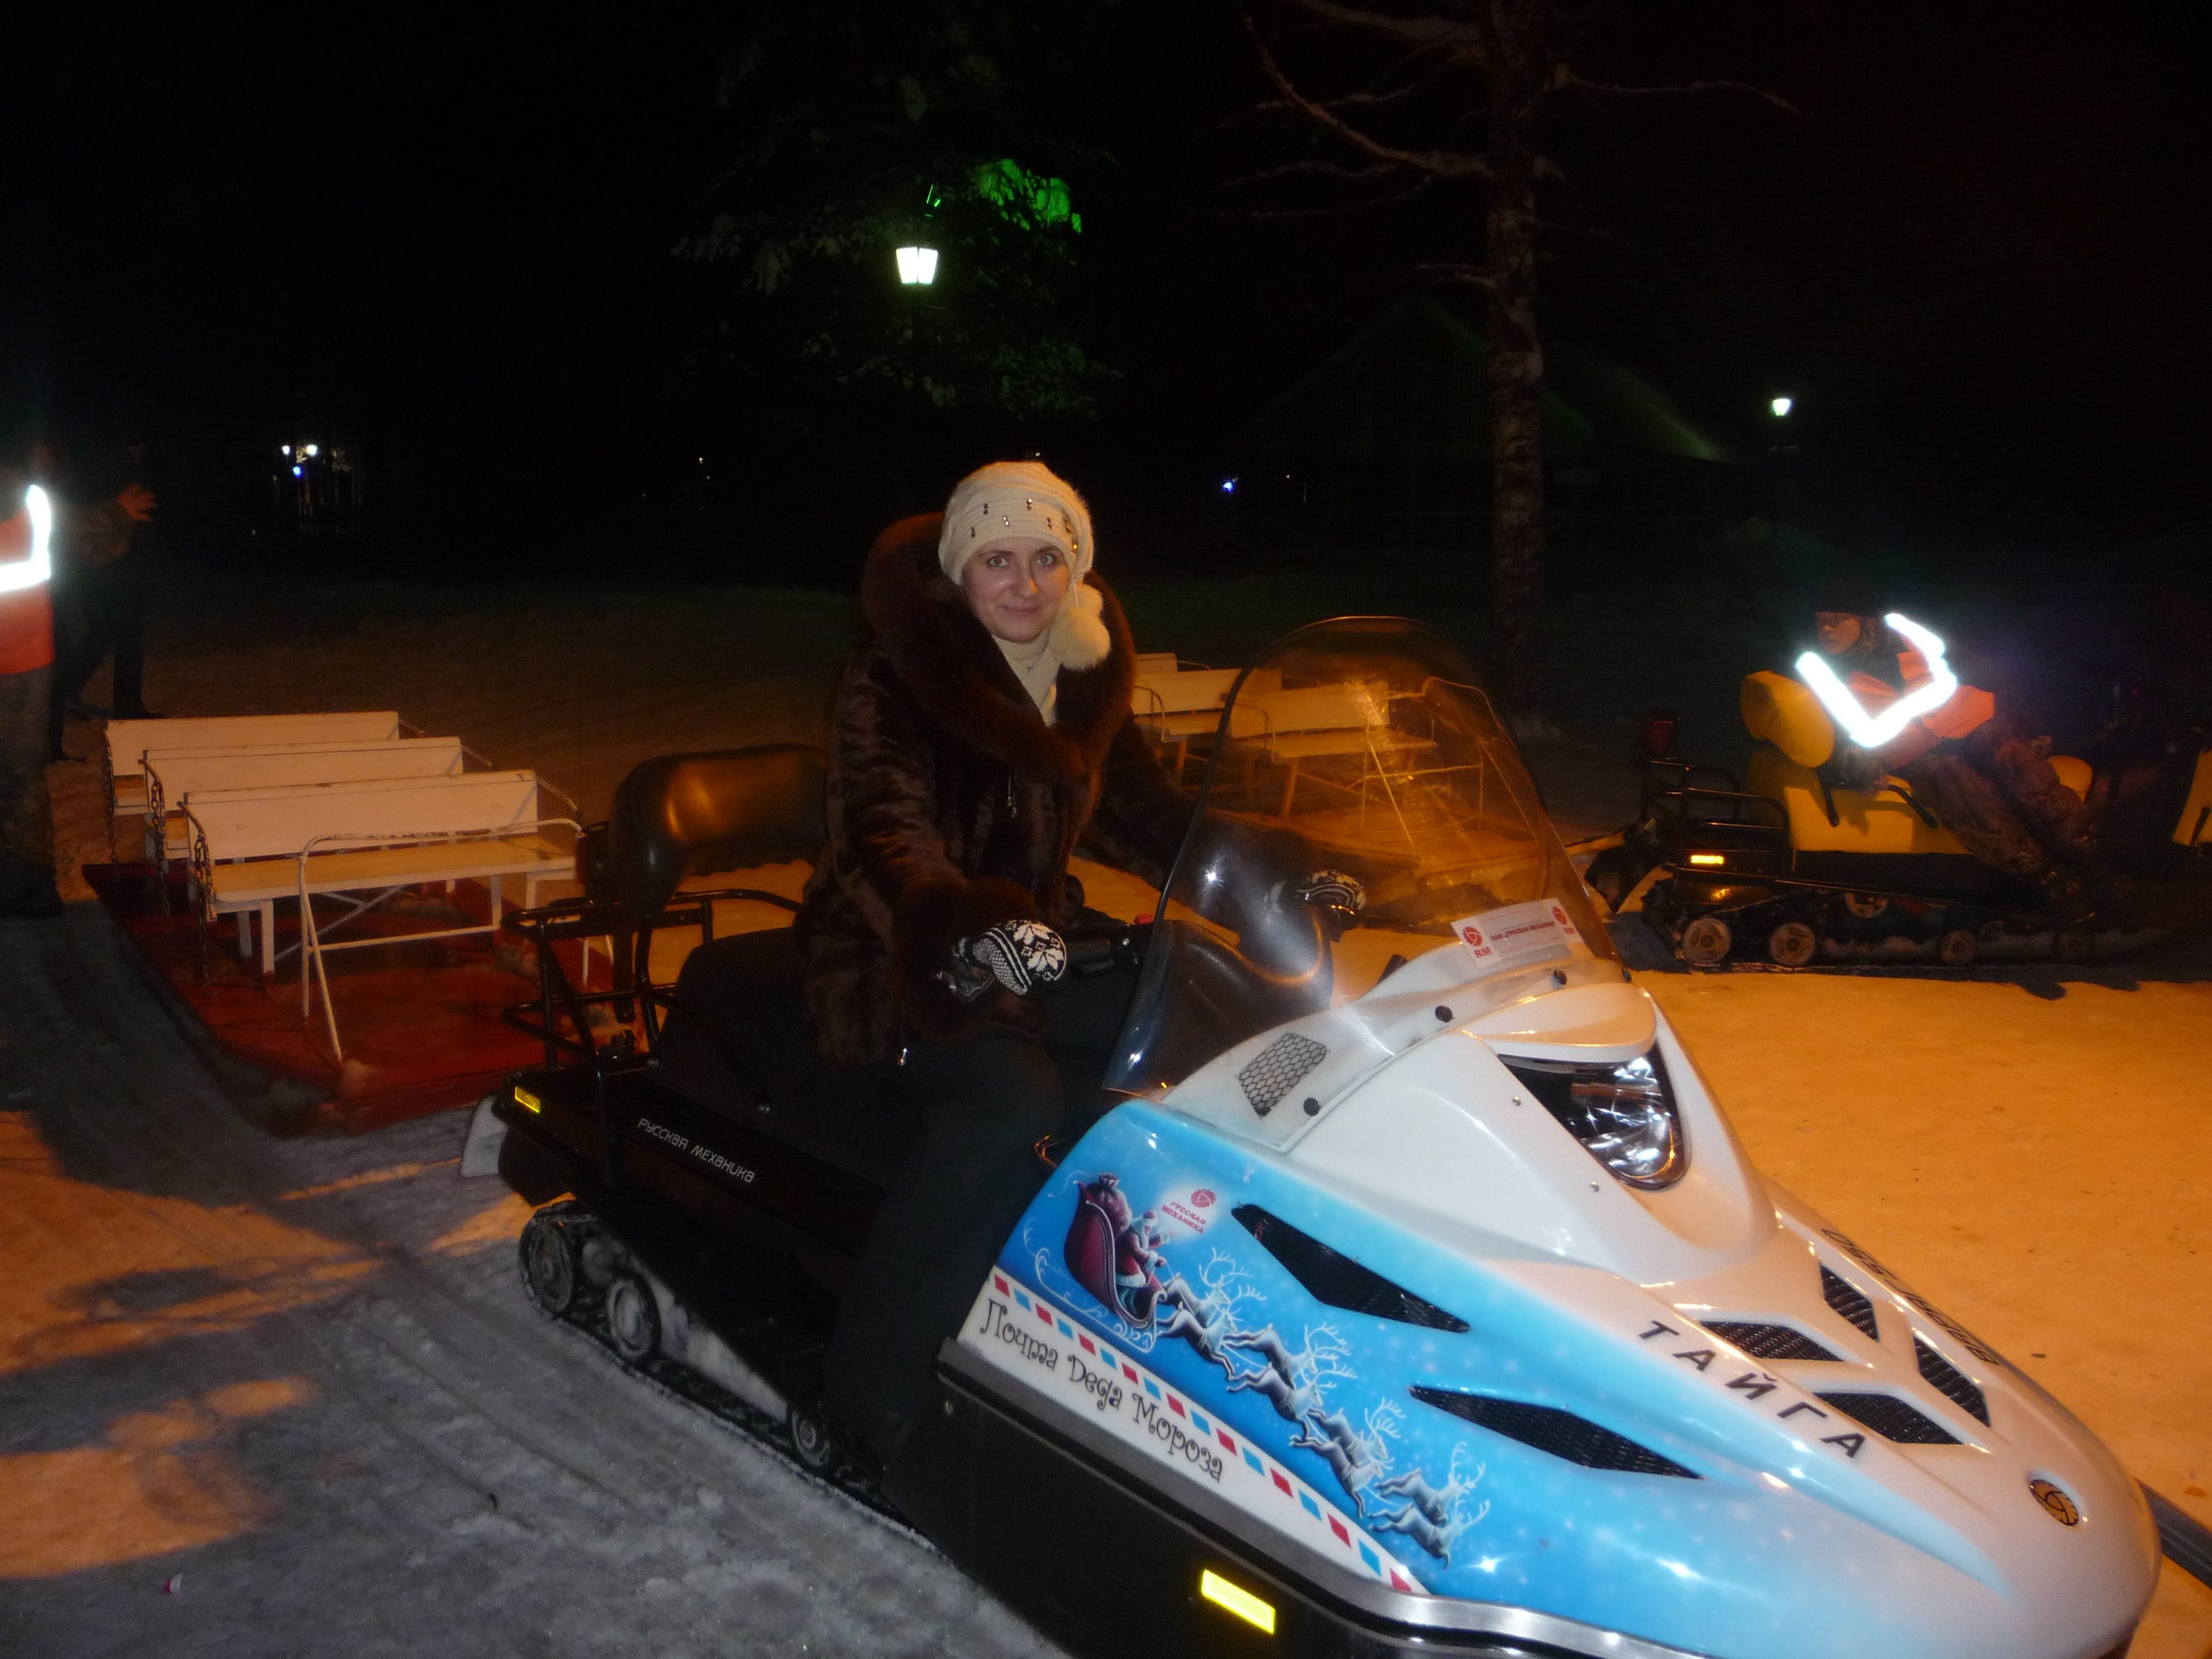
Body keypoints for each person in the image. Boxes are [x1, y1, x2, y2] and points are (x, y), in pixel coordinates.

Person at [794, 459, 1201, 1465]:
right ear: (958, 569)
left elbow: (1147, 813)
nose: (1025, 584)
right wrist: (964, 930)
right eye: (998, 560)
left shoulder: (1081, 675)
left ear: (1078, 569)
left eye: (1047, 559)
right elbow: (883, 834)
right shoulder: (897, 675)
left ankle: (1124, 1317)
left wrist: (1272, 867)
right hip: (902, 957)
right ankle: (872, 1385)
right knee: (1013, 1101)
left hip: (1037, 945)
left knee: (1190, 1020)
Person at [1808, 575, 2099, 924]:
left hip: (1972, 726)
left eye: (1837, 619)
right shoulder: (1825, 675)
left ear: (1865, 621)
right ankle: (2051, 881)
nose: (1825, 629)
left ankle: (2092, 862)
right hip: (1918, 752)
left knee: (2017, 763)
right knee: (1955, 783)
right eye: (1821, 621)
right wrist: (1860, 767)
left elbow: (1987, 676)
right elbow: (1833, 738)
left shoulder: (1915, 641)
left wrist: (2031, 727)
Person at [47, 438, 158, 761]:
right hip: (106, 565)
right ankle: (77, 692)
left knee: (114, 630)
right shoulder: (105, 466)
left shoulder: (114, 465)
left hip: (109, 563)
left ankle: (83, 693)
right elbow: (78, 525)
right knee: (113, 629)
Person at [0, 467, 65, 918]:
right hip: (29, 654)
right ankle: (30, 887)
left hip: (26, 658)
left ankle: (27, 885)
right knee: (22, 780)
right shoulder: (34, 496)